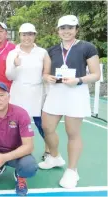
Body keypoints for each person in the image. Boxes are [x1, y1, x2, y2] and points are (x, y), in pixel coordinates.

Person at [39, 15, 101, 189]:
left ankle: (72, 170)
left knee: (72, 132)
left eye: (70, 28)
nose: (66, 31)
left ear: (76, 29)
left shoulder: (87, 47)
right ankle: (55, 156)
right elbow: (45, 73)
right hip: (56, 92)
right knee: (47, 127)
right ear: (58, 30)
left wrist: (79, 80)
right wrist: (47, 77)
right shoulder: (51, 50)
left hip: (76, 93)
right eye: (63, 28)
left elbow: (96, 74)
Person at [6, 23, 51, 160]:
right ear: (19, 35)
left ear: (35, 35)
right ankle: (14, 151)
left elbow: (46, 74)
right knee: (15, 123)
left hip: (37, 93)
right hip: (18, 92)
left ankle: (49, 151)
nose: (27, 37)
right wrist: (14, 64)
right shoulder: (13, 53)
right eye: (24, 34)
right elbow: (9, 76)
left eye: (30, 34)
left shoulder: (42, 52)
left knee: (42, 125)